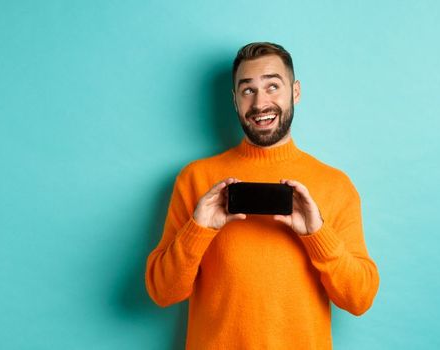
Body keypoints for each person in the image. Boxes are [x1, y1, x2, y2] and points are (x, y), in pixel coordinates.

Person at [145, 42, 379, 349]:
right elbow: (163, 293)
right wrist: (198, 230)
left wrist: (317, 234)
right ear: (234, 100)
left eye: (272, 86)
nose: (260, 103)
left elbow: (359, 299)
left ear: (295, 92)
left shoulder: (335, 185)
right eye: (247, 90)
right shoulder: (196, 178)